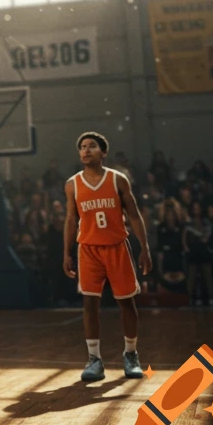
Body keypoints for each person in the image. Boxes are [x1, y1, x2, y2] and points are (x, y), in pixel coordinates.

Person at [63, 132, 152, 382]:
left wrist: (145, 247)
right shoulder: (72, 184)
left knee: (127, 302)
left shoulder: (117, 180)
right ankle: (94, 359)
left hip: (116, 246)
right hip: (88, 249)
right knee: (90, 303)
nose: (86, 150)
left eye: (91, 146)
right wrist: (66, 252)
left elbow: (134, 214)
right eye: (82, 147)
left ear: (103, 153)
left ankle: (131, 354)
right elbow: (71, 219)